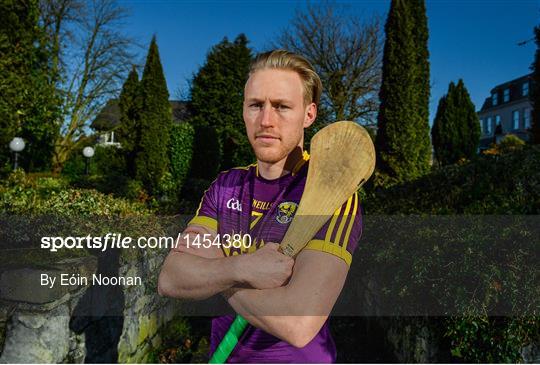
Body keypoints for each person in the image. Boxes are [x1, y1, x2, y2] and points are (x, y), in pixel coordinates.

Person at [158, 49, 363, 363]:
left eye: (282, 106)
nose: (266, 120)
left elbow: (298, 323)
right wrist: (242, 268)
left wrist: (215, 274)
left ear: (309, 114)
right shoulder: (225, 186)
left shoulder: (333, 194)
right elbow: (171, 277)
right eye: (256, 105)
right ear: (243, 109)